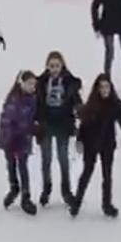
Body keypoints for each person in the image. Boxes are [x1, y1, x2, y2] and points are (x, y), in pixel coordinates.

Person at [70, 74, 121, 218]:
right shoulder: (91, 104)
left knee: (107, 175)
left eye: (106, 86)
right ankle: (77, 202)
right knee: (87, 173)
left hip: (107, 144)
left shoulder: (116, 105)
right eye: (101, 87)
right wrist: (79, 141)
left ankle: (107, 204)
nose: (104, 90)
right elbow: (84, 125)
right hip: (90, 143)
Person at [35, 51, 82, 207]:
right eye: (52, 66)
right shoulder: (41, 83)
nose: (54, 69)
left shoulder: (69, 82)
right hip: (46, 123)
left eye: (57, 66)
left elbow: (76, 100)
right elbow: (36, 102)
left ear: (62, 66)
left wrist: (81, 113)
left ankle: (66, 191)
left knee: (63, 159)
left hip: (63, 124)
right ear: (47, 67)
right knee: (46, 159)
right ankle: (46, 189)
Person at [0, 70, 39, 216]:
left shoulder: (34, 99)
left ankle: (26, 195)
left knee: (23, 166)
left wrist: (34, 128)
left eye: (34, 84)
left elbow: (33, 118)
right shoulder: (14, 99)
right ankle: (14, 187)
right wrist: (12, 133)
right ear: (22, 84)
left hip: (24, 139)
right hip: (11, 139)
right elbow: (8, 118)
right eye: (30, 84)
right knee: (11, 165)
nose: (32, 87)